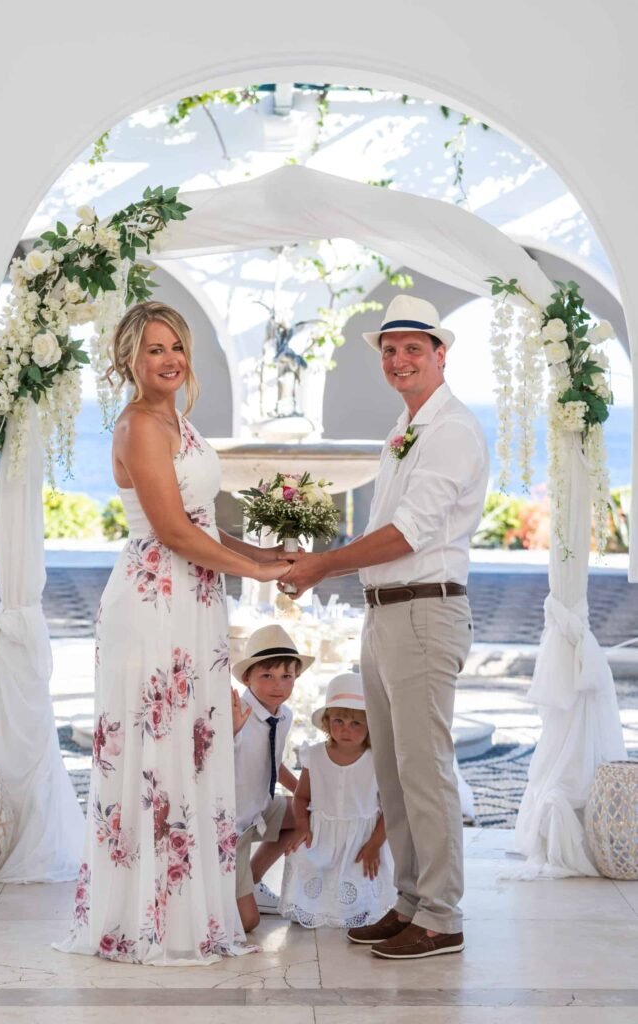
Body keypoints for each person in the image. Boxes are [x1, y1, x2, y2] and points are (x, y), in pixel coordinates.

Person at [55, 301, 288, 966]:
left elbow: (203, 522)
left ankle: (190, 915)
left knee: (191, 743)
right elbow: (174, 533)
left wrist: (267, 555)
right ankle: (144, 921)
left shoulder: (177, 421)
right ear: (129, 359)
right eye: (154, 349)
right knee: (155, 751)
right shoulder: (136, 425)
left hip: (195, 600)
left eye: (176, 347)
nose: (169, 359)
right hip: (154, 604)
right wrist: (254, 573)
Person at [280, 294, 489, 960]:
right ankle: (409, 903)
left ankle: (442, 915)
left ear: (440, 355)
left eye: (413, 349)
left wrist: (321, 565)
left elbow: (405, 534)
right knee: (394, 773)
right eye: (390, 350)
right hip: (387, 612)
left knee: (425, 771)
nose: (399, 360)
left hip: (425, 609)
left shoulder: (451, 430)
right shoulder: (405, 428)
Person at [279, 672, 395, 929]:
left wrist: (375, 843)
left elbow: (391, 809)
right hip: (322, 835)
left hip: (362, 839)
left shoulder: (377, 760)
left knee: (361, 872)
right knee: (301, 855)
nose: (345, 729)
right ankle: (310, 908)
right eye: (338, 721)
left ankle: (357, 910)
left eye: (356, 723)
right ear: (326, 721)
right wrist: (302, 826)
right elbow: (301, 797)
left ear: (370, 725)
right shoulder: (315, 756)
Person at [230, 624, 314, 932]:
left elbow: (273, 761)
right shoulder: (235, 713)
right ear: (246, 678)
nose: (278, 685)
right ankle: (231, 886)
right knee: (248, 923)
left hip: (260, 810)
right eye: (267, 675)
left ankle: (251, 880)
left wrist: (306, 794)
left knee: (309, 811)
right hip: (232, 826)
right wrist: (231, 732)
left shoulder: (284, 715)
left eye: (286, 676)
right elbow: (212, 763)